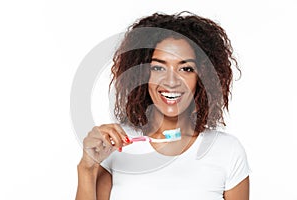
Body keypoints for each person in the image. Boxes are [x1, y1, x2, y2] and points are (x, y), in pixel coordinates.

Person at [76, 11, 250, 200]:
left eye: (186, 69)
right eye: (158, 67)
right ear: (143, 75)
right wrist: (87, 169)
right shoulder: (115, 146)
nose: (171, 81)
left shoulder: (227, 150)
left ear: (202, 77)